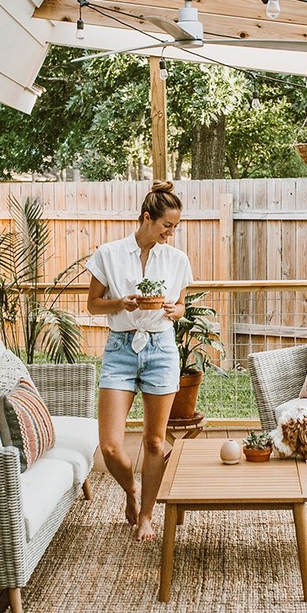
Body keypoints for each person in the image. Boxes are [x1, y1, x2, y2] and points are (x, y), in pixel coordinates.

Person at [86, 181, 192, 542]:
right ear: (147, 218)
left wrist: (175, 311)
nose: (170, 233)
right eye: (166, 226)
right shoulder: (109, 254)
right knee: (110, 445)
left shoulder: (176, 260)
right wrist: (121, 303)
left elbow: (181, 306)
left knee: (154, 442)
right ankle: (131, 487)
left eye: (175, 227)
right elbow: (93, 305)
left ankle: (147, 515)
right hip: (120, 349)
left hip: (161, 349)